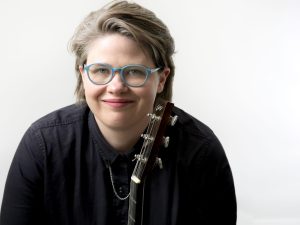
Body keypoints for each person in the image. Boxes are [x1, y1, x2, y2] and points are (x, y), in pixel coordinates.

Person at [0, 0, 237, 224]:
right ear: (83, 75)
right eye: (101, 70)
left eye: (134, 71)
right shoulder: (42, 145)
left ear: (161, 79)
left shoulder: (201, 153)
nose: (116, 87)